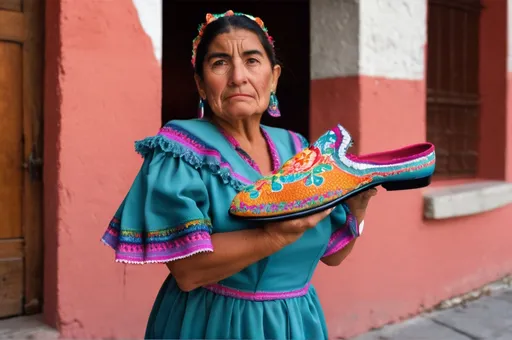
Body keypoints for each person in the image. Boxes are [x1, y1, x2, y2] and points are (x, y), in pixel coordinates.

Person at [102, 10, 377, 339]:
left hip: (295, 322)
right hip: (213, 322)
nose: (238, 77)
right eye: (219, 63)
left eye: (252, 61)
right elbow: (187, 272)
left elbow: (332, 254)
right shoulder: (180, 149)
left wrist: (357, 205)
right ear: (201, 84)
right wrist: (276, 236)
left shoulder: (299, 149)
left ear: (273, 77)